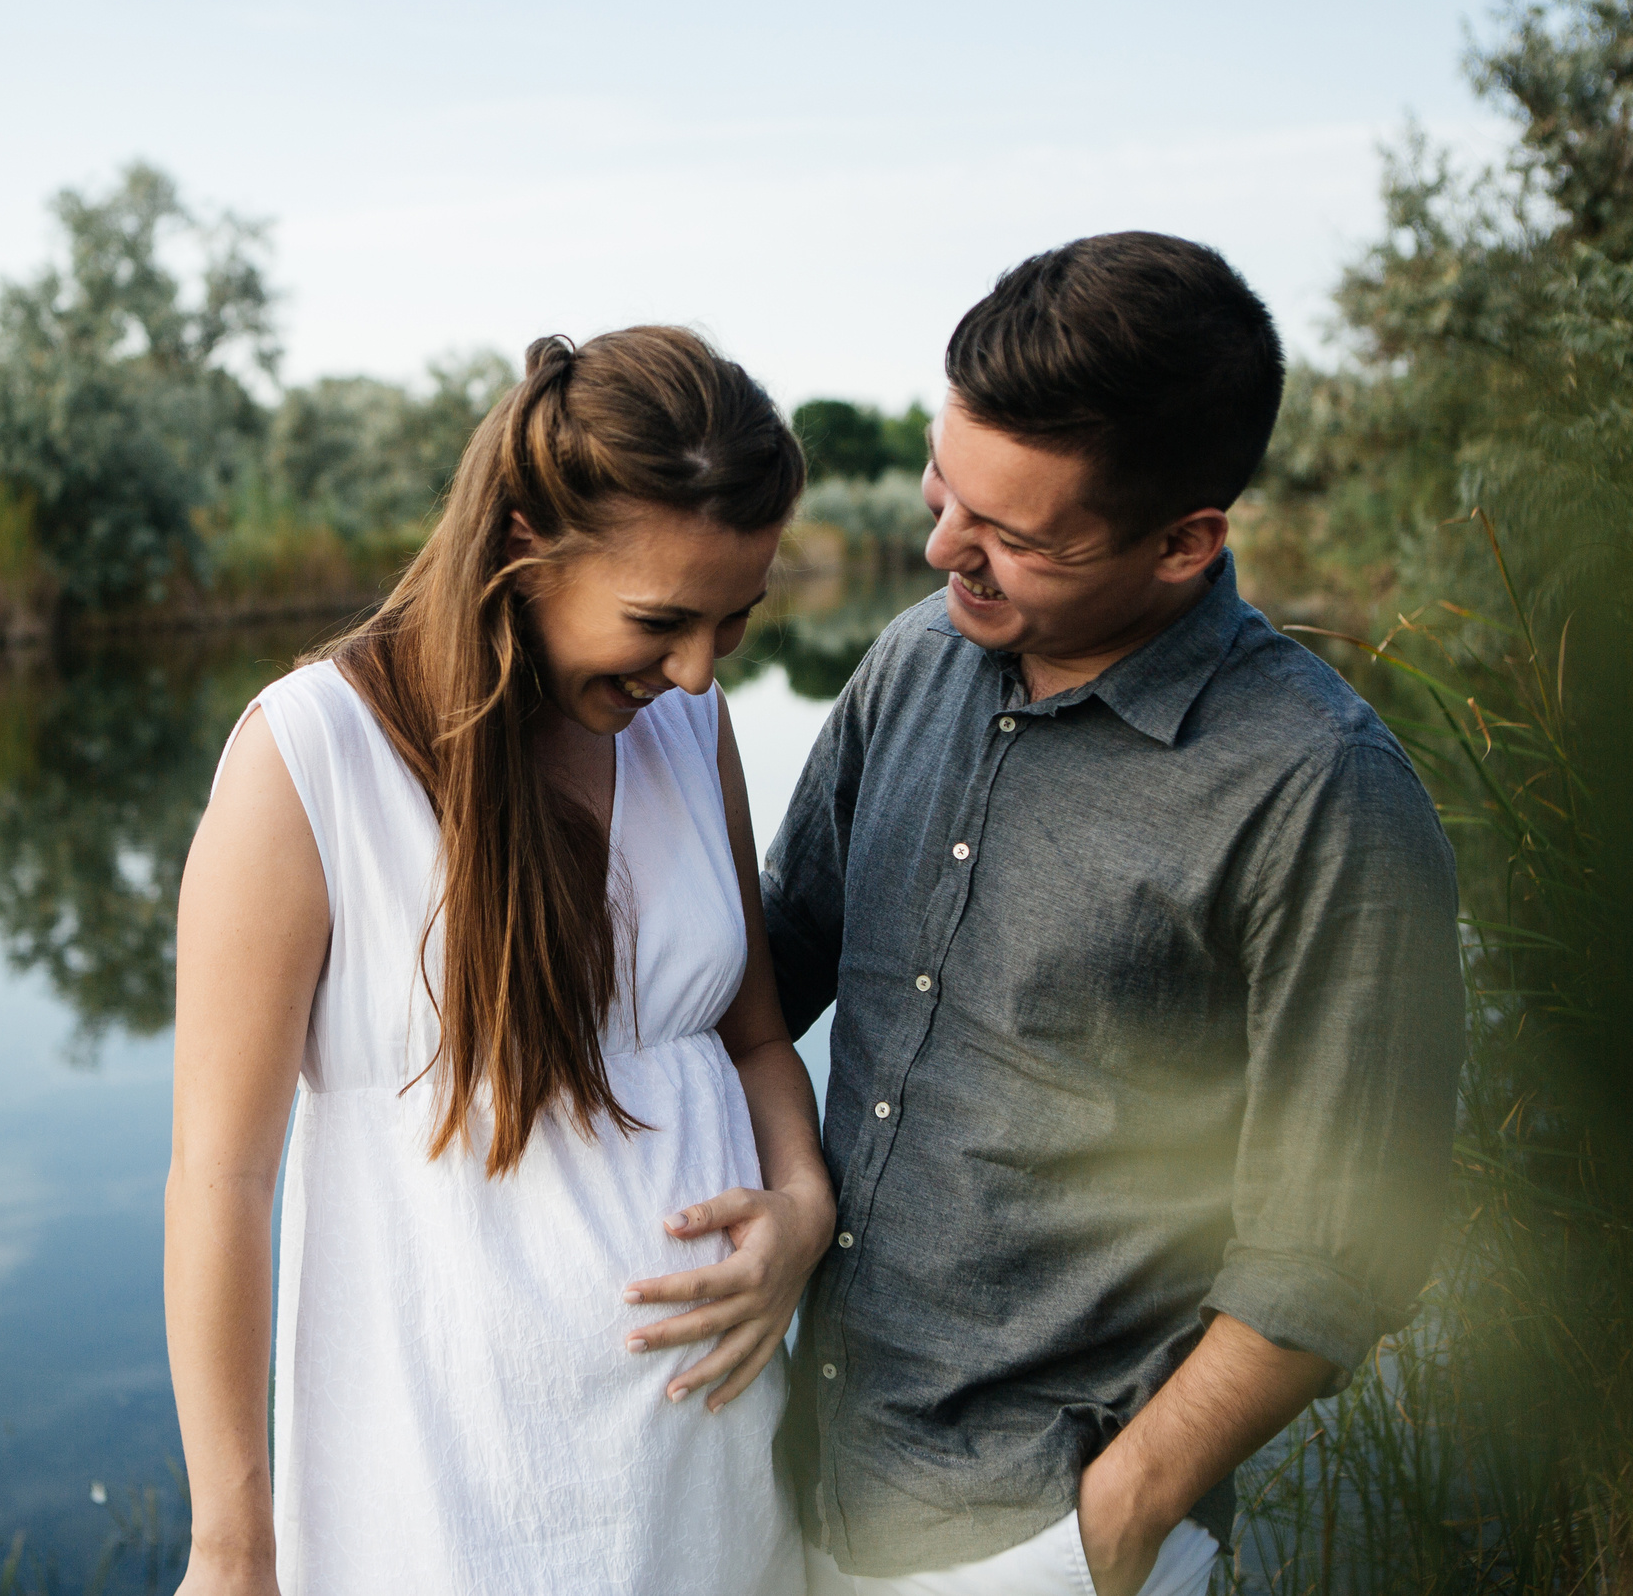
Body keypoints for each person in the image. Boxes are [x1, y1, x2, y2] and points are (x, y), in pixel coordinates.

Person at [763, 234, 1466, 1596]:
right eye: (942, 489)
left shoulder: (1320, 791)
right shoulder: (917, 653)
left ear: (1185, 542)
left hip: (1034, 1541)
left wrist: (1116, 1518)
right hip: (794, 1474)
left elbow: (1341, 1242)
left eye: (1011, 535)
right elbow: (773, 962)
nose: (939, 548)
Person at [166, 327, 834, 1596]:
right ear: (525, 541)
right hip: (447, 1497)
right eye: (660, 620)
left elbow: (754, 1037)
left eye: (732, 622)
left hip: (707, 1479)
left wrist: (801, 1206)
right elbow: (220, 1176)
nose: (694, 667)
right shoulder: (310, 757)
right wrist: (231, 1544)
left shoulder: (687, 726)